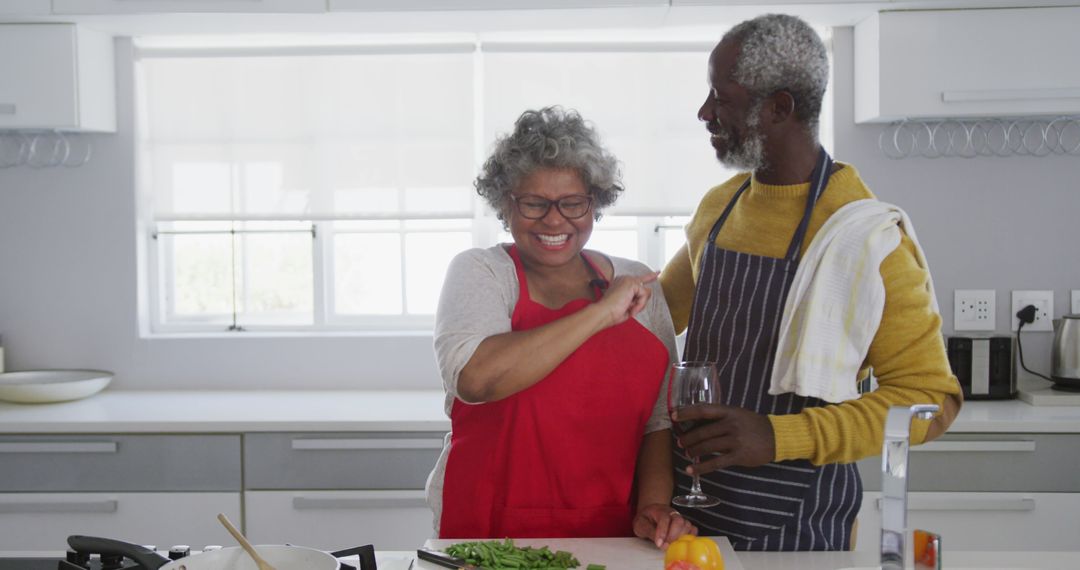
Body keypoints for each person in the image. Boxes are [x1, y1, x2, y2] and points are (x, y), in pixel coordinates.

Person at [659, 14, 963, 551]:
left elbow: (931, 401)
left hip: (798, 523)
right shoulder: (719, 208)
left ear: (779, 108)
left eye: (720, 97)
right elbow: (655, 317)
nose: (704, 113)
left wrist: (779, 436)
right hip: (688, 507)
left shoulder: (866, 236)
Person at [428, 106, 696, 547]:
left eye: (572, 203)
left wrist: (653, 506)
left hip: (609, 537)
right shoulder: (482, 273)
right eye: (534, 203)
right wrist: (600, 313)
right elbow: (477, 379)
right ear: (504, 204)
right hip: (486, 533)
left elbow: (657, 422)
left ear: (596, 203)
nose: (554, 221)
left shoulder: (639, 285)